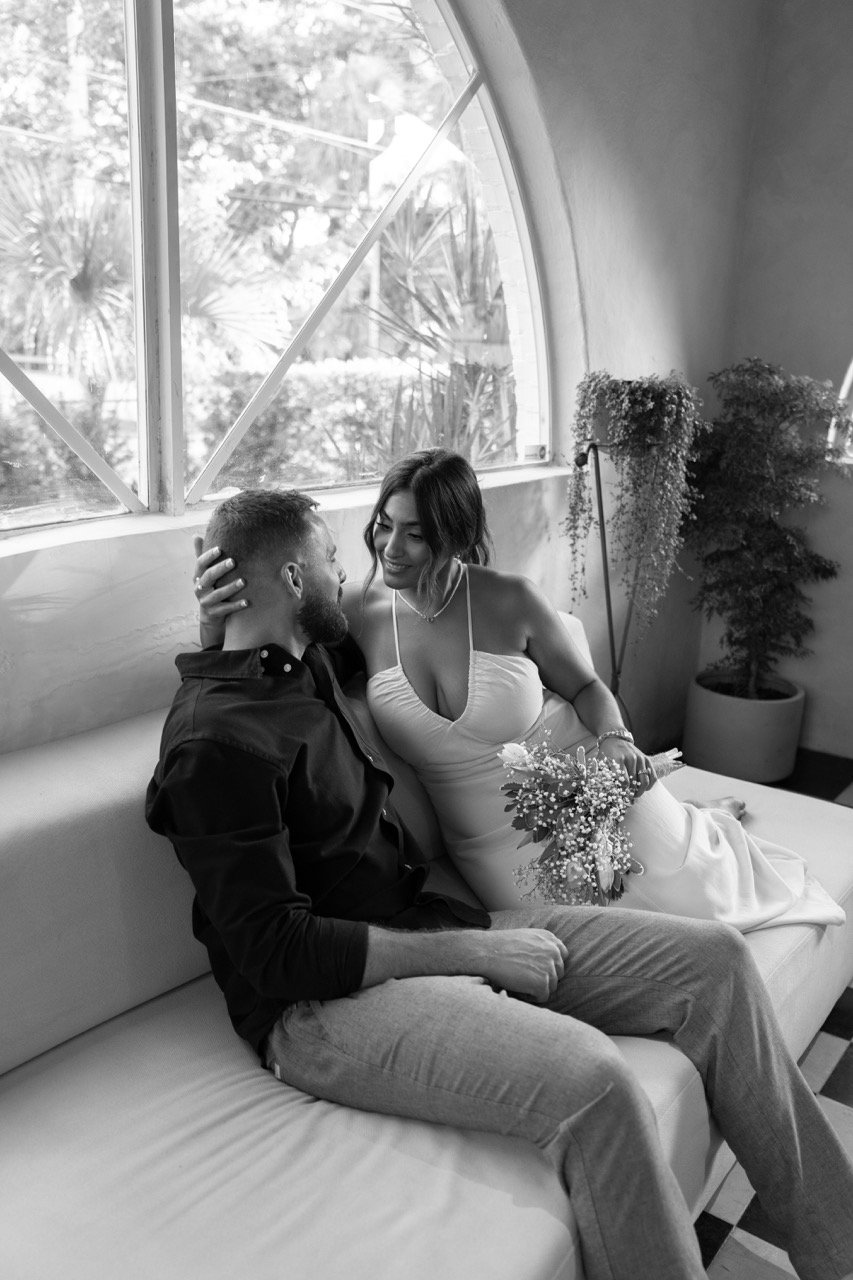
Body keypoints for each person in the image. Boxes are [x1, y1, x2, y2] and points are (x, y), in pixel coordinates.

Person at [149, 487, 853, 1280]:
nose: (349, 572)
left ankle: (837, 1252)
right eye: (331, 558)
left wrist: (216, 627)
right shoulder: (216, 745)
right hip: (317, 1009)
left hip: (419, 921)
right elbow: (276, 953)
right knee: (596, 1080)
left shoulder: (296, 664)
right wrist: (477, 953)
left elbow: (290, 643)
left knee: (716, 962)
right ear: (290, 577)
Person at [194, 450, 844, 932]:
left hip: (587, 788)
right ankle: (701, 817)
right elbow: (268, 663)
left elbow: (586, 688)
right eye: (384, 525)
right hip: (491, 846)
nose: (391, 547)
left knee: (707, 903)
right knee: (604, 941)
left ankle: (698, 826)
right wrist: (212, 621)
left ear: (455, 537)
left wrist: (617, 739)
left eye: (416, 533)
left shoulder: (510, 600)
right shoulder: (359, 613)